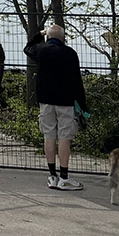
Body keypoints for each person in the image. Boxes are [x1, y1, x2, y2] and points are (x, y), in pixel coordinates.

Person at [24, 22, 89, 191]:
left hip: (45, 101)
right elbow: (77, 82)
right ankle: (64, 177)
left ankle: (52, 175)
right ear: (63, 38)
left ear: (47, 37)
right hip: (65, 102)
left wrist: (40, 32)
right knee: (64, 137)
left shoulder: (41, 51)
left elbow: (28, 46)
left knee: (49, 135)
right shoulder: (70, 54)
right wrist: (83, 106)